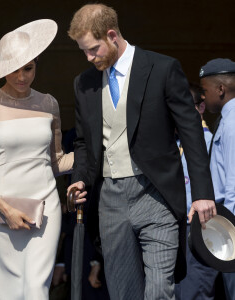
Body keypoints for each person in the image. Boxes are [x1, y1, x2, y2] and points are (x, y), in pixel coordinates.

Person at [66, 3, 216, 299]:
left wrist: (201, 193)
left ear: (112, 35)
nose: (88, 57)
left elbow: (192, 134)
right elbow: (84, 142)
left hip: (156, 194)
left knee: (160, 289)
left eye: (93, 49)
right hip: (110, 199)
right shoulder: (84, 84)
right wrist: (80, 178)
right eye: (83, 51)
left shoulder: (161, 68)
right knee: (123, 291)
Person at [0, 19, 74, 300]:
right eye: (14, 70)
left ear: (36, 64)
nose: (22, 76)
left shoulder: (49, 103)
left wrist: (102, 152)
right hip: (0, 211)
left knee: (37, 290)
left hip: (45, 208)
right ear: (3, 69)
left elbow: (56, 162)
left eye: (29, 68)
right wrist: (3, 208)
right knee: (10, 293)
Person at [174, 83, 219, 300]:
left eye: (185, 106)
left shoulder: (211, 143)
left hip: (201, 230)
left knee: (196, 292)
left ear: (200, 108)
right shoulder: (173, 143)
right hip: (176, 230)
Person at [199, 58, 235, 300]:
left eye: (204, 91)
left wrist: (229, 233)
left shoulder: (232, 123)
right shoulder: (226, 119)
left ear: (220, 89)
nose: (203, 97)